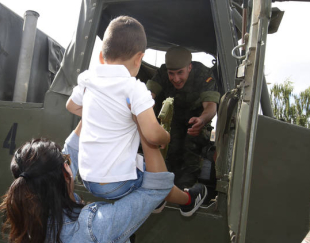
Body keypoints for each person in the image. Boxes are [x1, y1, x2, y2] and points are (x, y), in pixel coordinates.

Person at [66, 16, 206, 216]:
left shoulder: (88, 79)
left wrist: (104, 113)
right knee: (158, 178)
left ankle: (157, 201)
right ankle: (187, 201)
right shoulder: (134, 88)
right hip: (117, 183)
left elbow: (71, 106)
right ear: (139, 58)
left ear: (100, 56)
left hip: (88, 179)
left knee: (140, 162)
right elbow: (152, 136)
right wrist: (166, 137)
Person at [0, 121, 176, 243]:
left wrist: (91, 105)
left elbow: (68, 154)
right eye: (66, 161)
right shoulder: (97, 227)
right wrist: (146, 132)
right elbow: (156, 189)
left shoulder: (34, 220)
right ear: (66, 171)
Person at [146, 46, 220, 189]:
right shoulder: (162, 73)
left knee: (191, 150)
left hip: (198, 120)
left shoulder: (203, 74)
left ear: (190, 67)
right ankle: (165, 190)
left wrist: (202, 120)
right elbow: (147, 96)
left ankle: (186, 191)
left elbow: (211, 106)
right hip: (175, 118)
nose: (176, 79)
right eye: (171, 74)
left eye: (180, 73)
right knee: (170, 150)